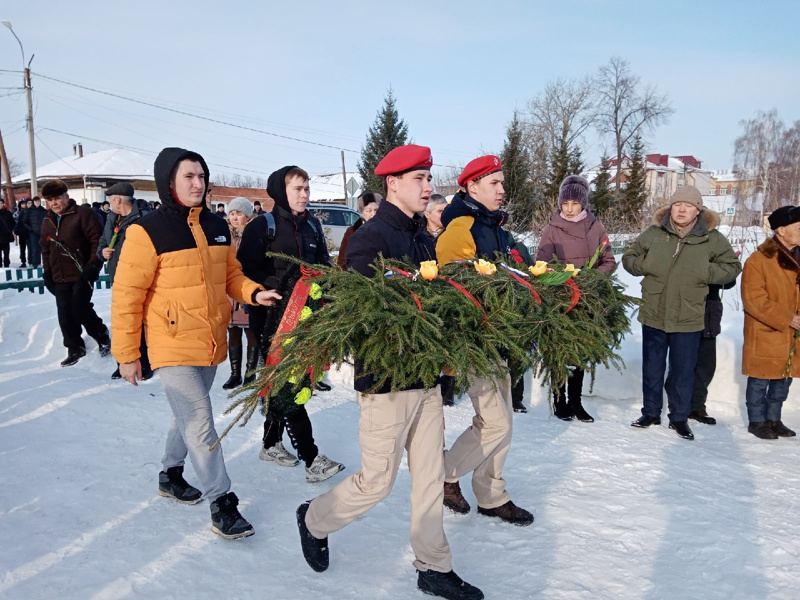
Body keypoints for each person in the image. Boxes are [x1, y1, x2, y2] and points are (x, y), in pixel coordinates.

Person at [297, 145, 484, 600]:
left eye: (429, 179)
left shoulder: (423, 238)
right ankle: (313, 519)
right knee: (378, 482)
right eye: (418, 179)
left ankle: (433, 566)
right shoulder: (369, 238)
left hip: (425, 378)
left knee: (429, 477)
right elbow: (366, 311)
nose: (428, 188)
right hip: (385, 381)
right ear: (392, 184)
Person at [111, 147, 281, 539]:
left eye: (201, 176)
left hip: (208, 339)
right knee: (201, 423)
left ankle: (170, 474)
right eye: (189, 176)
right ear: (168, 181)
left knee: (186, 417)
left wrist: (255, 293)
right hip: (170, 343)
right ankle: (222, 501)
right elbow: (126, 296)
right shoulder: (146, 230)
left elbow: (231, 275)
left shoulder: (215, 225)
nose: (197, 184)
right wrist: (127, 354)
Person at [435, 155, 534, 527]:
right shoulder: (462, 228)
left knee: (502, 420)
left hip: (499, 338)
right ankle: (444, 474)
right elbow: (456, 290)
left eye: (502, 183)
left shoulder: (496, 228)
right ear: (471, 187)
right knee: (495, 422)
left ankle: (492, 495)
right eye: (494, 183)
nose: (502, 190)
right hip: (475, 339)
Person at [238, 165, 343, 481]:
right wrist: (277, 283)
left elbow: (323, 264)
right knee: (289, 383)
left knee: (279, 380)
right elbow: (243, 269)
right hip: (271, 318)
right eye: (298, 188)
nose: (304, 194)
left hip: (306, 315)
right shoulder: (262, 226)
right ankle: (312, 459)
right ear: (280, 191)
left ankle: (270, 443)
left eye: (307, 188)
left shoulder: (312, 225)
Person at [622, 186, 741, 440]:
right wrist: (645, 265)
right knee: (652, 368)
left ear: (698, 210)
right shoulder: (654, 233)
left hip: (688, 314)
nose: (682, 209)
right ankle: (651, 412)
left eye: (688, 206)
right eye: (677, 205)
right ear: (671, 208)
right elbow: (629, 257)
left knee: (683, 370)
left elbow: (732, 266)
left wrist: (706, 273)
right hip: (654, 311)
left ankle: (678, 417)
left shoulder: (711, 238)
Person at [536, 175, 616, 423]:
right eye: (565, 203)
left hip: (587, 300)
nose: (569, 209)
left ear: (584, 204)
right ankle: (560, 401)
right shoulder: (552, 230)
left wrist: (591, 278)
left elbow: (609, 261)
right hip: (562, 299)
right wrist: (562, 278)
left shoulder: (596, 228)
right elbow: (542, 264)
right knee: (560, 349)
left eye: (575, 203)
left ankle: (576, 402)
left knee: (580, 351)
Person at [740, 205, 800, 440]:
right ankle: (757, 421)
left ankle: (774, 419)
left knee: (782, 380)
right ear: (782, 230)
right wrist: (788, 319)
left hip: (790, 334)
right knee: (760, 380)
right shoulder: (759, 259)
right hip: (767, 329)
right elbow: (754, 300)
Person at [39, 180, 111, 366]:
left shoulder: (83, 215)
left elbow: (97, 240)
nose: (54, 203)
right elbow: (45, 249)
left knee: (80, 307)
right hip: (59, 275)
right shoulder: (47, 221)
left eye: (57, 198)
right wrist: (47, 273)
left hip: (82, 272)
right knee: (65, 313)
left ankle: (102, 336)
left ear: (67, 197)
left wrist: (93, 266)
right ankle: (74, 347)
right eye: (50, 200)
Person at [97, 182, 153, 380]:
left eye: (111, 200)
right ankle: (123, 362)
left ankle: (145, 363)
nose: (110, 204)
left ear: (117, 200)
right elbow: (102, 243)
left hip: (139, 278)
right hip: (118, 277)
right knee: (123, 320)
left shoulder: (144, 218)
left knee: (140, 322)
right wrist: (103, 252)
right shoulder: (111, 218)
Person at [221, 196, 258, 390]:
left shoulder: (254, 235)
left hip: (248, 288)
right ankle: (234, 374)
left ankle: (250, 374)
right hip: (230, 292)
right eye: (232, 214)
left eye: (239, 214)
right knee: (233, 331)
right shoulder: (224, 236)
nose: (235, 218)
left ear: (248, 216)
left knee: (251, 331)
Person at [689, 280, 737, 425]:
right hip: (686, 310)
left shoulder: (717, 256)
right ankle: (678, 405)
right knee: (682, 364)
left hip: (709, 312)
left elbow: (728, 281)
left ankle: (696, 407)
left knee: (706, 366)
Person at [336, 191, 381, 269]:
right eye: (369, 211)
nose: (373, 214)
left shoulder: (387, 231)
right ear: (362, 213)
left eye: (376, 210)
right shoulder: (352, 232)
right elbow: (342, 261)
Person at [20, 196, 47, 268]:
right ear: (33, 202)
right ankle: (35, 264)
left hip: (42, 232)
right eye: (36, 201)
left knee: (43, 248)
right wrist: (30, 229)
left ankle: (44, 263)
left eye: (38, 201)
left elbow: (47, 221)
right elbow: (24, 222)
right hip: (33, 233)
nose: (37, 203)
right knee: (34, 248)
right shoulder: (29, 211)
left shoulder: (43, 211)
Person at [13, 199, 29, 267]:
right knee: (22, 248)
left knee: (30, 247)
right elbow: (15, 223)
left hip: (28, 232)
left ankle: (31, 260)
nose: (23, 205)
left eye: (24, 204)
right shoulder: (17, 213)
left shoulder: (29, 212)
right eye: (22, 204)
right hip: (21, 233)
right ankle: (23, 261)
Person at [0, 198, 15, 268]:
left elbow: (13, 223)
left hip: (6, 236)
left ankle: (6, 264)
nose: (0, 205)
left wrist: (9, 229)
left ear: (3, 204)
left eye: (1, 203)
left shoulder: (8, 213)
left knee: (6, 252)